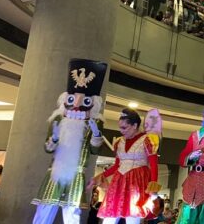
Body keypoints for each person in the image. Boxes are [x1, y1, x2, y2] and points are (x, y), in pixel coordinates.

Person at [31, 59, 107, 224]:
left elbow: (95, 151)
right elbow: (48, 148)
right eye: (72, 100)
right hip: (55, 170)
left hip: (77, 173)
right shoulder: (58, 118)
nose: (77, 107)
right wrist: (55, 138)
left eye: (85, 101)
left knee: (72, 212)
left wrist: (95, 135)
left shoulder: (94, 123)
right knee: (45, 208)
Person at [93, 108, 162, 224]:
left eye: (124, 127)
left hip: (137, 181)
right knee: (110, 216)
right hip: (119, 181)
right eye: (120, 127)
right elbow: (116, 165)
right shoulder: (119, 142)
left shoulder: (148, 140)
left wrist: (153, 186)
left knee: (133, 216)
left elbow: (154, 165)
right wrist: (101, 175)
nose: (121, 131)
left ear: (135, 125)